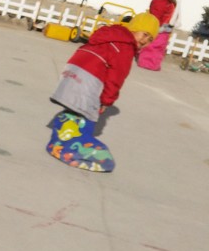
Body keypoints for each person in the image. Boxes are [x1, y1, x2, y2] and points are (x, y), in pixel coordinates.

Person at [45, 12, 159, 173]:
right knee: (88, 117)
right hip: (88, 77)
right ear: (134, 28)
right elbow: (115, 78)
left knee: (73, 110)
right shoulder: (126, 47)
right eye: (145, 34)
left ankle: (58, 142)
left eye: (150, 39)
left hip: (71, 71)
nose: (145, 41)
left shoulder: (109, 34)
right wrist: (106, 101)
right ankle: (70, 150)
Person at [136, 0, 185, 71]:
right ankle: (148, 63)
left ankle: (151, 63)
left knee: (157, 46)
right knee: (154, 46)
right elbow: (167, 18)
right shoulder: (166, 2)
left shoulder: (167, 2)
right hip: (161, 27)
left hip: (162, 27)